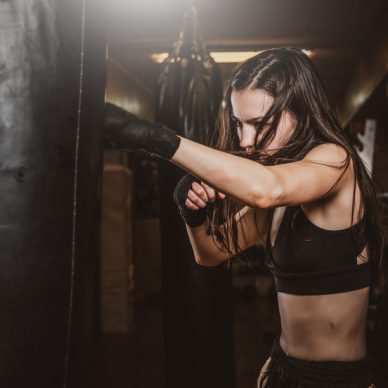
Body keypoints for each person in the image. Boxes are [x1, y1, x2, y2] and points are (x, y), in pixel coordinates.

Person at [104, 47, 383, 387]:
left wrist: (157, 140)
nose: (245, 140)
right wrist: (192, 214)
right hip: (282, 370)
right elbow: (210, 254)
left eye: (259, 124)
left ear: (299, 111)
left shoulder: (335, 161)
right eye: (239, 124)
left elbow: (267, 188)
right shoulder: (277, 197)